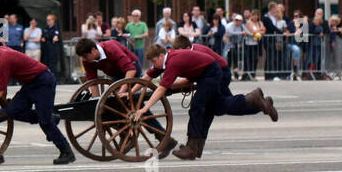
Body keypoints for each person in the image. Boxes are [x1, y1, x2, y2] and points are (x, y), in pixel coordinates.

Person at [134, 44, 277, 160]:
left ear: (160, 56)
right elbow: (147, 76)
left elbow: (161, 89)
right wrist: (129, 92)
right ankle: (260, 103)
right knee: (215, 108)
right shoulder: (165, 60)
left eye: (154, 61)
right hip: (205, 74)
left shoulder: (172, 61)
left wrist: (144, 109)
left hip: (211, 73)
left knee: (197, 107)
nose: (154, 65)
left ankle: (191, 147)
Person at [0, 39, 76, 165]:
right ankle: (50, 117)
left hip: (43, 82)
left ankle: (66, 152)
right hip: (30, 84)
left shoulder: (5, 60)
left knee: (45, 121)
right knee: (13, 111)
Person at [73, 37, 177, 158]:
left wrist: (121, 93)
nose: (84, 60)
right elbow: (93, 82)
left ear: (93, 50)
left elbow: (130, 70)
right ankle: (132, 135)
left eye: (85, 57)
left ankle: (162, 137)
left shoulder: (111, 48)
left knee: (132, 105)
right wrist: (97, 102)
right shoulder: (88, 61)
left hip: (132, 69)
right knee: (116, 106)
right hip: (116, 75)